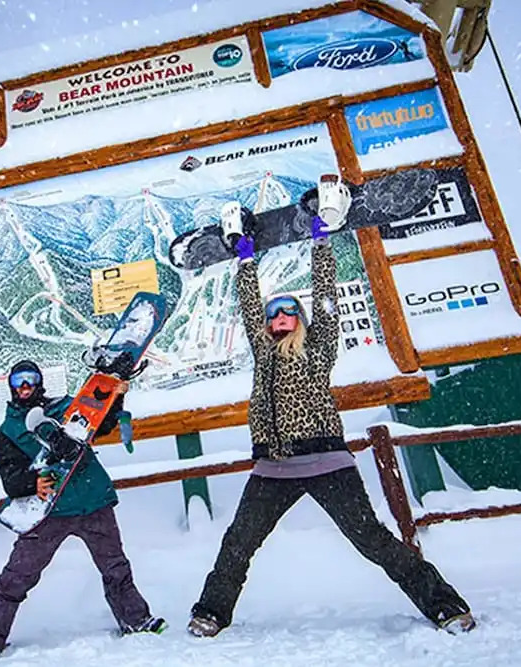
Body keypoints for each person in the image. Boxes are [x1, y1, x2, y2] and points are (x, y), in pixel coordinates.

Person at [187, 197, 476, 638]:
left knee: (372, 540)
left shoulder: (318, 348)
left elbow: (326, 298)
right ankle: (211, 613)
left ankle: (445, 606)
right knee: (238, 543)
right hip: (273, 468)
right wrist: (245, 261)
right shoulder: (263, 351)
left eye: (288, 311)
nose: (279, 317)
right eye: (273, 313)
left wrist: (321, 244)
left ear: (301, 320)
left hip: (326, 462)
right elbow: (248, 306)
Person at [0, 360, 166, 657]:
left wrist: (118, 395)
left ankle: (136, 619)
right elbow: (9, 477)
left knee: (115, 567)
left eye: (30, 379)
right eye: (18, 380)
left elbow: (102, 423)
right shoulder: (10, 429)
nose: (24, 386)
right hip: (50, 512)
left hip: (92, 500)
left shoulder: (66, 407)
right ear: (10, 386)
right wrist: (32, 483)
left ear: (40, 382)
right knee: (18, 575)